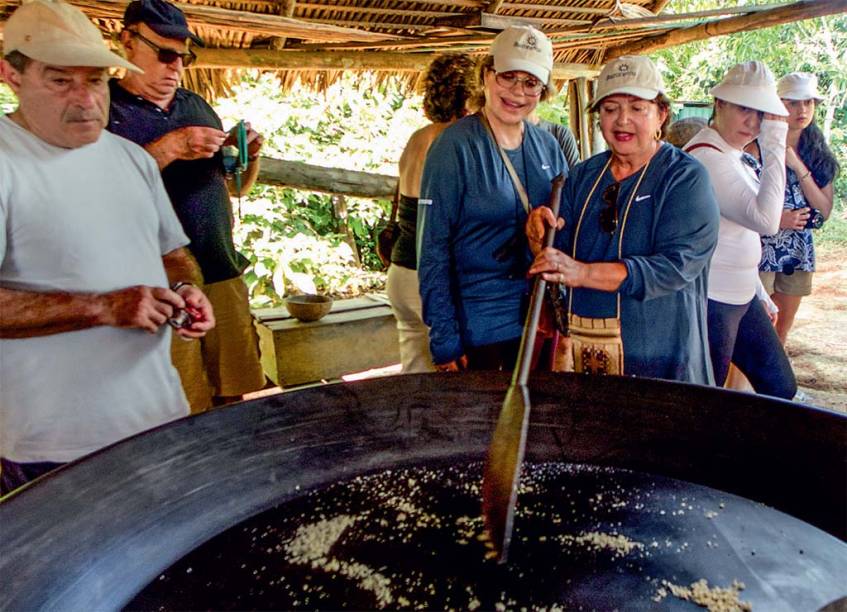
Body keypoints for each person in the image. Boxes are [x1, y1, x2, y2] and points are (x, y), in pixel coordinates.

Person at [0, 0, 214, 495]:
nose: (86, 100)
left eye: (95, 81)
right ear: (11, 74)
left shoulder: (129, 159)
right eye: (59, 81)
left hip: (156, 418)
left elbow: (170, 251)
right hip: (52, 446)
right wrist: (103, 306)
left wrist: (183, 288)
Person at [108, 0, 266, 412]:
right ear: (127, 41)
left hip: (220, 268)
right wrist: (169, 148)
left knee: (234, 391)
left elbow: (236, 188)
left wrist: (248, 155)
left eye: (183, 57)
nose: (175, 67)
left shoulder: (196, 106)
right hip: (159, 283)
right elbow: (98, 194)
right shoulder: (105, 111)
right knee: (181, 404)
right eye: (164, 54)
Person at [527, 56, 719, 383]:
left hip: (661, 354)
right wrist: (538, 237)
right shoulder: (582, 176)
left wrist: (584, 272)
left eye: (637, 108)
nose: (622, 120)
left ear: (662, 114)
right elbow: (557, 251)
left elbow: (675, 266)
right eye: (610, 108)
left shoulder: (685, 178)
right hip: (584, 354)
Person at [418, 26, 567, 372]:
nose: (517, 92)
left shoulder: (548, 147)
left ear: (543, 91)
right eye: (508, 77)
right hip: (478, 328)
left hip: (538, 323)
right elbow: (432, 249)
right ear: (486, 75)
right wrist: (444, 339)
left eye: (530, 83)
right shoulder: (453, 147)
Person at [685, 61, 797, 399]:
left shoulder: (731, 154)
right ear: (719, 105)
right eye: (744, 109)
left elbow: (740, 234)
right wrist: (775, 143)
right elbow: (766, 220)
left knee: (780, 385)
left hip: (741, 294)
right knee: (710, 398)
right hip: (712, 298)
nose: (753, 123)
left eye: (761, 114)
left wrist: (759, 292)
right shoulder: (707, 158)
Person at [386, 54, 475, 373]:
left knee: (415, 375)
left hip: (402, 274)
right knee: (451, 387)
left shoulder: (417, 138)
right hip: (434, 281)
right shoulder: (456, 142)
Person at [756, 72, 840, 345]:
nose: (801, 110)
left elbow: (824, 210)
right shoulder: (755, 143)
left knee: (781, 332)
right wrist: (776, 219)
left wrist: (797, 165)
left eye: (808, 102)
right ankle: (741, 388)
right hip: (759, 248)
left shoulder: (817, 151)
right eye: (792, 103)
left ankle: (773, 388)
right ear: (777, 104)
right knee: (756, 330)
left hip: (798, 250)